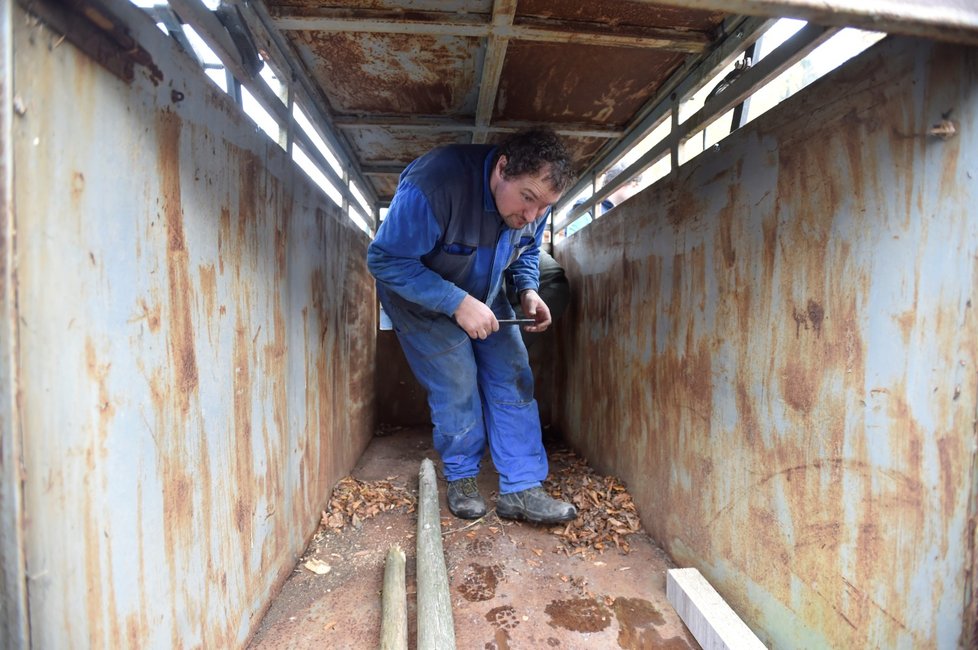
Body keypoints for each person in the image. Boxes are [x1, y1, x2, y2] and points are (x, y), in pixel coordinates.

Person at [367, 129, 578, 524]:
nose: (532, 215)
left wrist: (529, 290)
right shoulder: (435, 185)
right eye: (528, 199)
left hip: (486, 288)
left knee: (513, 374)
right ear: (502, 169)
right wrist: (456, 302)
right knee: (457, 378)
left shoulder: (537, 201)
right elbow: (385, 261)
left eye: (544, 207)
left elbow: (527, 248)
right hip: (419, 295)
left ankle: (522, 488)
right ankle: (462, 476)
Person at [565, 163, 643, 236]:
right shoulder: (588, 208)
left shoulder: (619, 213)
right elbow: (575, 245)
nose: (637, 191)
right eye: (634, 186)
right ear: (620, 183)